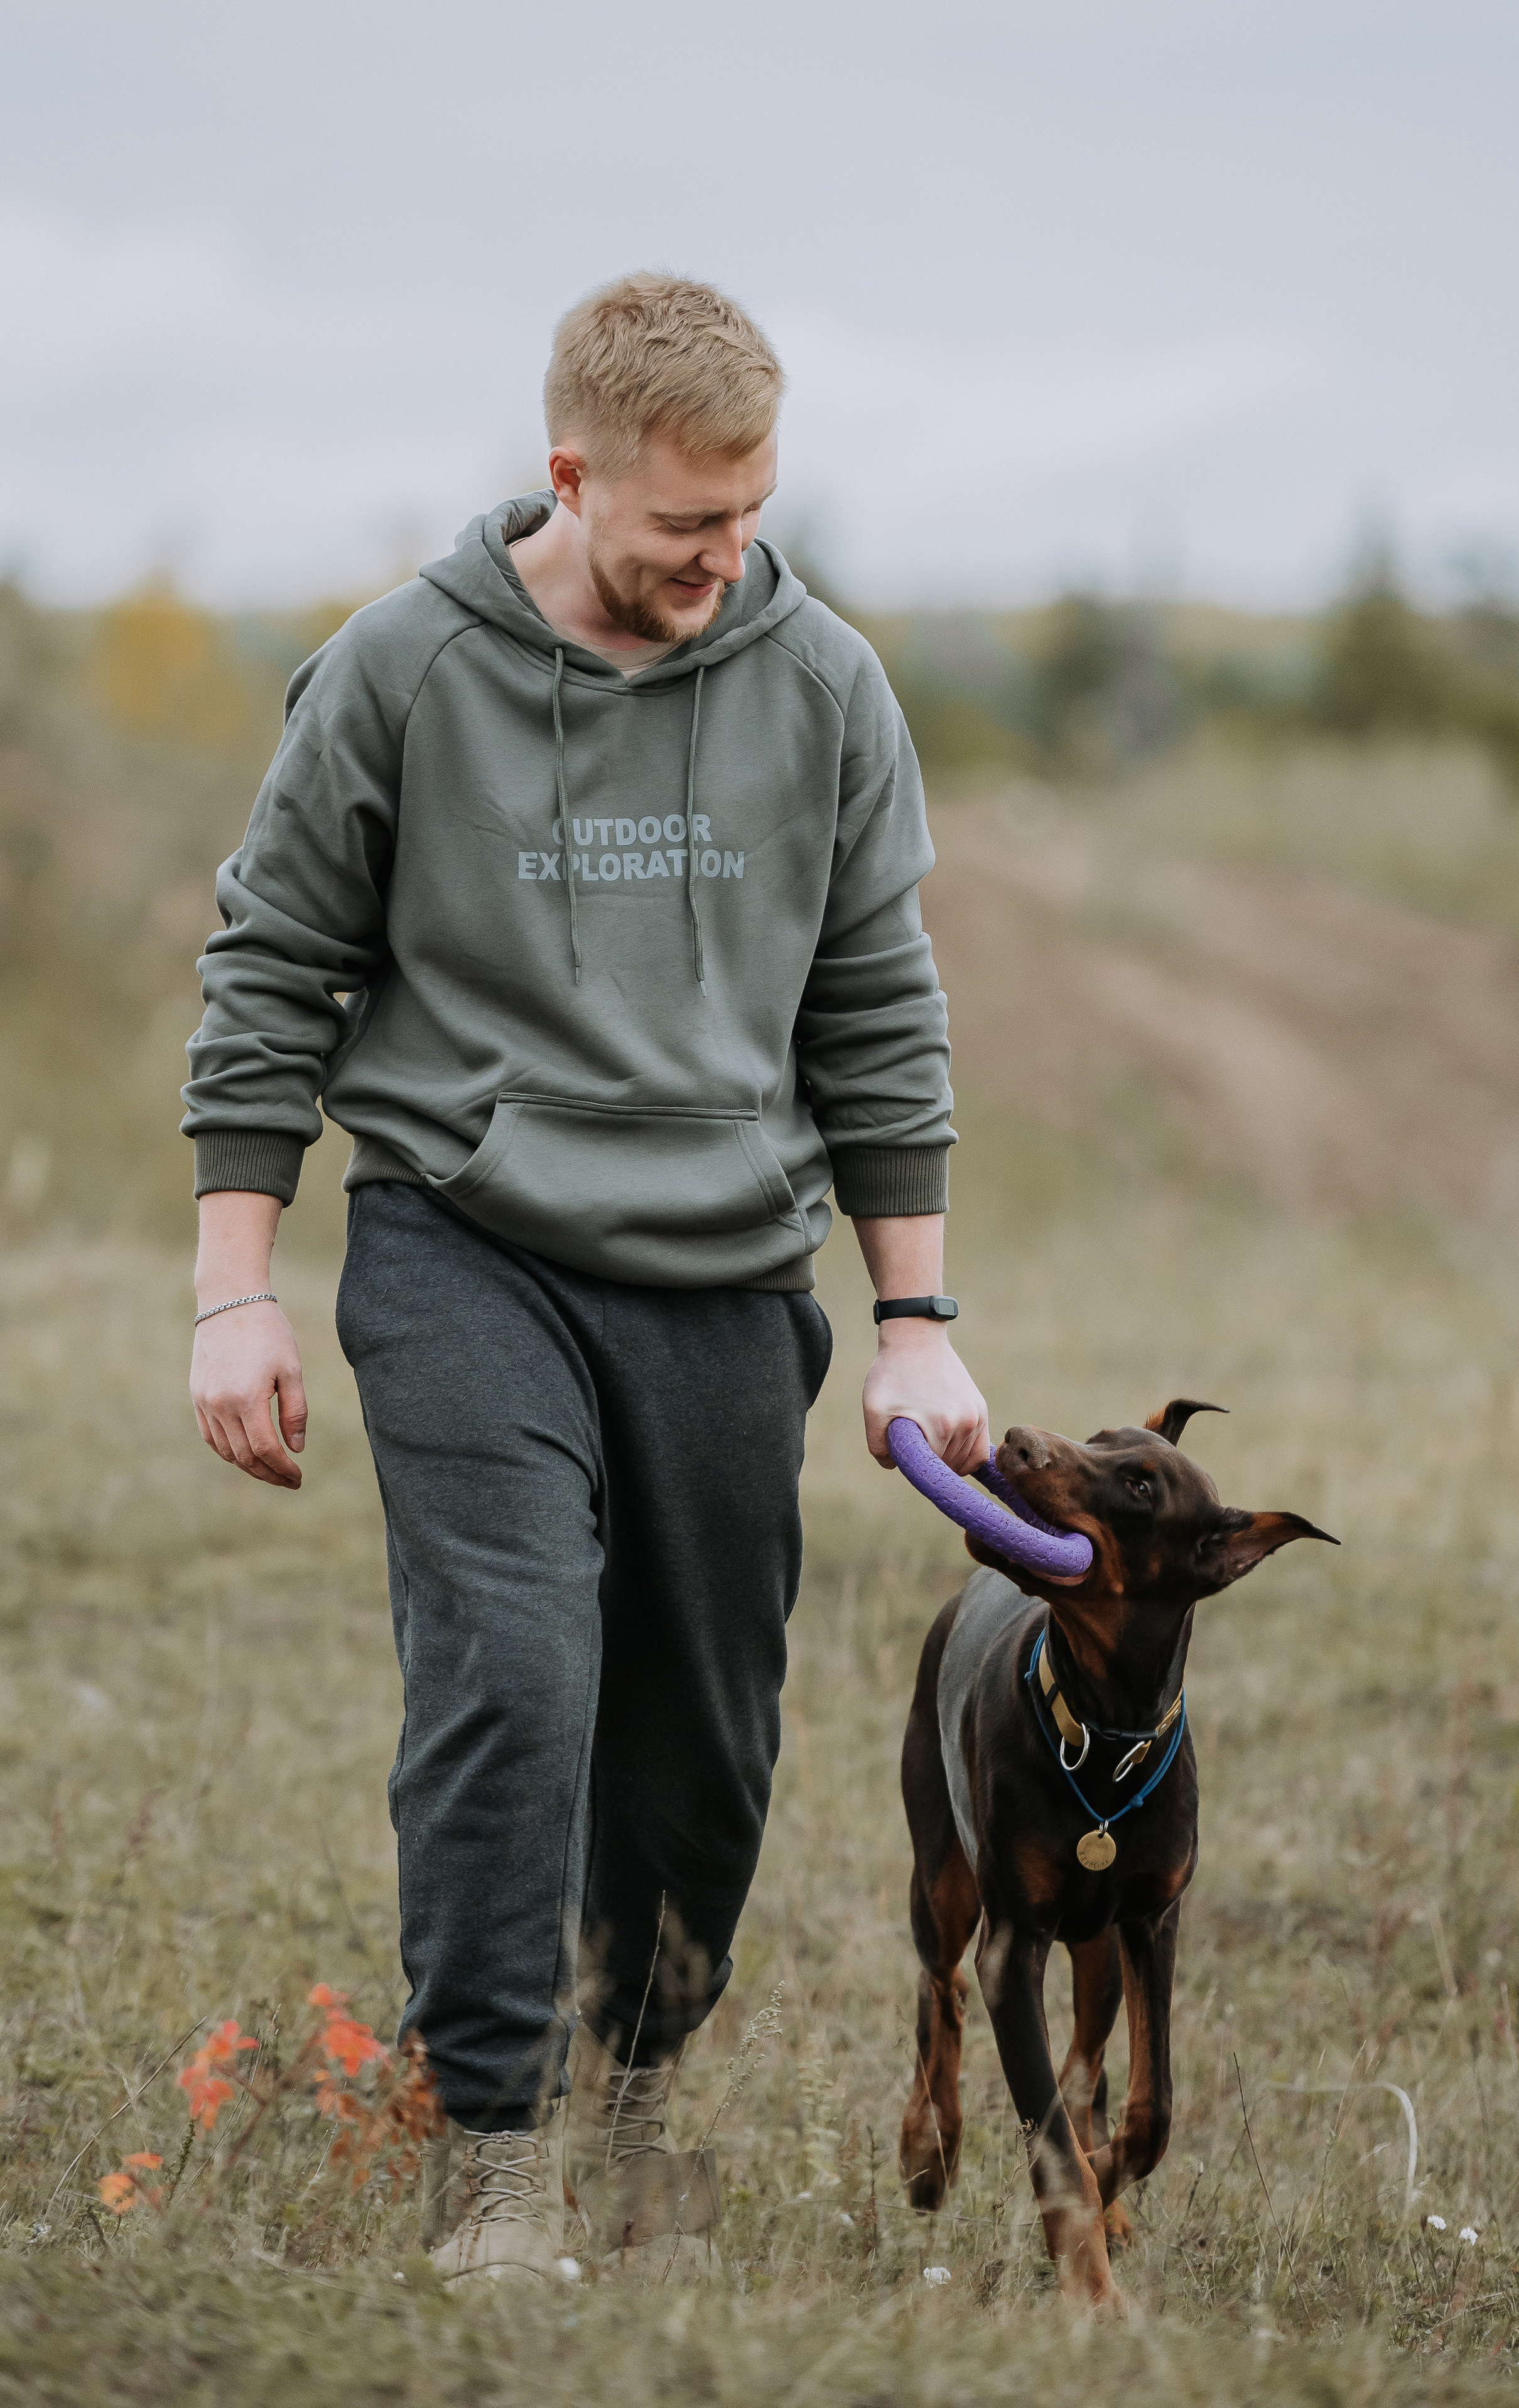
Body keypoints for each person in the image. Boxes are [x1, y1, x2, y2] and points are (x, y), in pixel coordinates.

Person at [182, 272, 988, 2284]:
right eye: (682, 527)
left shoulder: (825, 687)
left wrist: (914, 1325)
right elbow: (271, 967)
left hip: (728, 1271)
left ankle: (633, 2098)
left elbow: (878, 1008)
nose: (727, 561)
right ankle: (501, 2150)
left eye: (752, 517)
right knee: (515, 1675)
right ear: (571, 474)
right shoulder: (394, 672)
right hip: (467, 1239)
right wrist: (235, 1282)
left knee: (703, 1739)